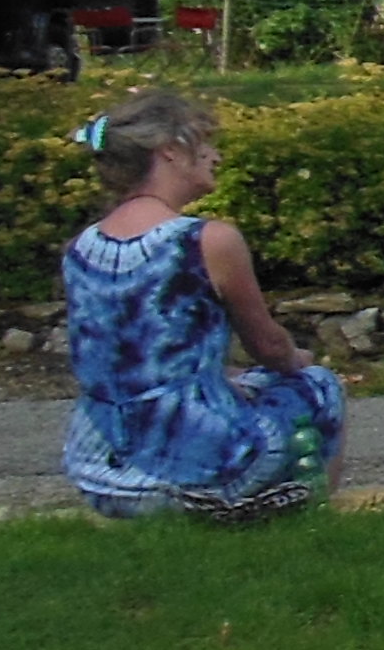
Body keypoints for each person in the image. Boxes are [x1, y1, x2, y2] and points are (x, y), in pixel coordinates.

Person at [60, 90, 347, 522]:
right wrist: (297, 358)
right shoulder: (206, 241)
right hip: (198, 469)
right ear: (171, 152)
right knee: (318, 386)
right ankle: (308, 515)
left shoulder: (80, 248)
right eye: (204, 144)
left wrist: (217, 378)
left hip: (100, 472)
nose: (215, 156)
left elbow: (128, 367)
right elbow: (268, 348)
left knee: (238, 385)